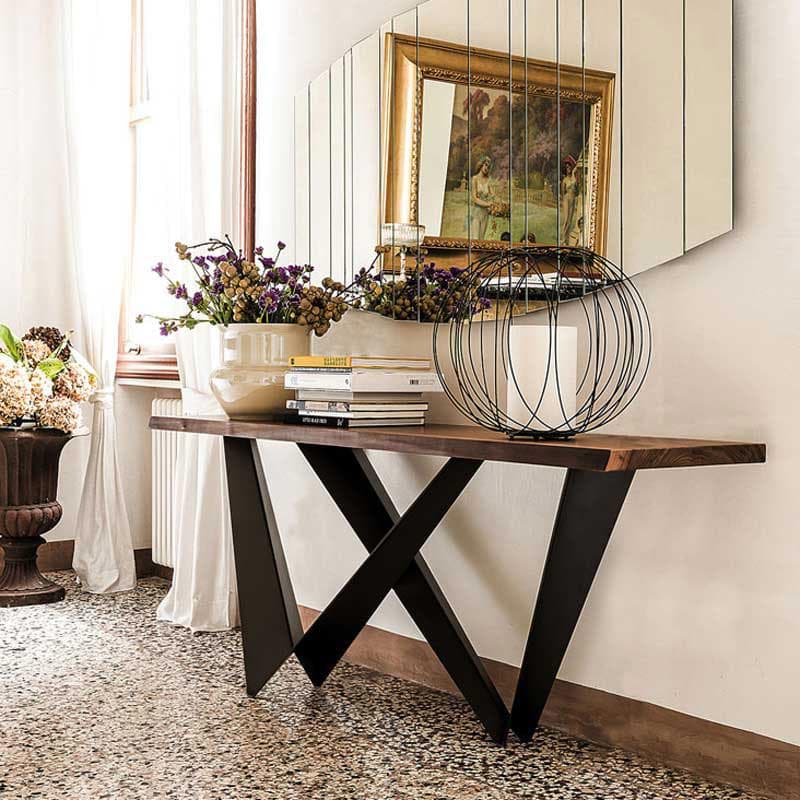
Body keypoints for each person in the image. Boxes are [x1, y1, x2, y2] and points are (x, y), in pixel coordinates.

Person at [470, 155, 495, 239]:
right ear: (481, 165)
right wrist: (488, 204)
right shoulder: (475, 179)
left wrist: (493, 201)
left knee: (481, 239)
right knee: (475, 239)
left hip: (485, 213)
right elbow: (475, 199)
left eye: (488, 167)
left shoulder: (488, 180)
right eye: (486, 165)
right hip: (476, 213)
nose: (486, 168)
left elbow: (493, 195)